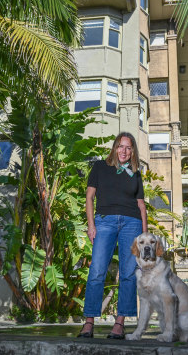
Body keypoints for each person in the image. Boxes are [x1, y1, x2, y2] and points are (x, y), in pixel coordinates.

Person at [77, 132, 148, 339]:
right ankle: (89, 322)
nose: (124, 151)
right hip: (105, 221)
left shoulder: (135, 172)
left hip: (132, 223)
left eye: (128, 148)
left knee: (127, 273)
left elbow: (141, 205)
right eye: (121, 146)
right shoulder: (100, 167)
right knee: (97, 270)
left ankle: (119, 324)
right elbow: (90, 197)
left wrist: (144, 236)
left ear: (132, 151)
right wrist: (91, 225)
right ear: (115, 147)